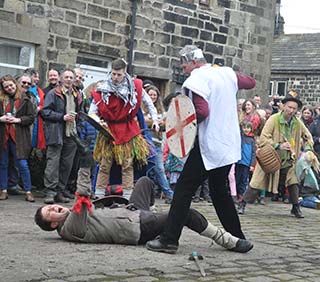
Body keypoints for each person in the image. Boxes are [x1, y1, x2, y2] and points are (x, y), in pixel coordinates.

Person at [146, 45, 256, 254]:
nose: (183, 68)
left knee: (183, 189)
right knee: (220, 191)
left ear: (195, 62)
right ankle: (238, 238)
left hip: (209, 143)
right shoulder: (224, 73)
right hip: (228, 143)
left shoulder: (197, 79)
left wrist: (174, 124)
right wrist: (227, 74)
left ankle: (169, 239)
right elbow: (250, 82)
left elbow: (202, 112)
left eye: (185, 64)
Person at [35, 172, 252, 253]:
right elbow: (83, 195)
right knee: (186, 213)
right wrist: (84, 165)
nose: (55, 207)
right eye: (51, 212)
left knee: (145, 181)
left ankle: (159, 223)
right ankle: (229, 241)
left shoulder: (70, 218)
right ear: (53, 225)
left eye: (51, 206)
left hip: (133, 213)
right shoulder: (70, 226)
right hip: (134, 227)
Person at [238, 90, 314, 218]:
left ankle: (295, 207)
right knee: (257, 181)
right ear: (283, 106)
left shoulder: (297, 123)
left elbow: (308, 137)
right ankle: (242, 204)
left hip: (289, 160)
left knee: (293, 182)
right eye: (289, 107)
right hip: (271, 158)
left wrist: (306, 150)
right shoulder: (273, 119)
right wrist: (278, 145)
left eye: (294, 108)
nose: (291, 110)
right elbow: (263, 138)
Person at [88, 58, 149, 194]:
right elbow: (91, 112)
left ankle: (128, 196)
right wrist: (99, 121)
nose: (115, 77)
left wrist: (155, 119)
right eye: (113, 74)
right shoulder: (102, 89)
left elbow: (149, 103)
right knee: (104, 164)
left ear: (124, 72)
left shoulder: (134, 88)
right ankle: (98, 195)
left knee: (127, 164)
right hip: (108, 132)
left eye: (119, 74)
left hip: (127, 130)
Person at [42, 68, 82, 204]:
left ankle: (60, 191)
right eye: (66, 77)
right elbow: (45, 112)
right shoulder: (53, 94)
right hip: (56, 132)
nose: (69, 80)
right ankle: (50, 192)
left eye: (71, 77)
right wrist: (62, 117)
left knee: (67, 165)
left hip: (71, 134)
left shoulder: (78, 95)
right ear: (61, 78)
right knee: (53, 163)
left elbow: (80, 113)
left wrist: (78, 124)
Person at [0, 75, 35, 201]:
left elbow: (31, 117)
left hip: (19, 137)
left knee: (22, 164)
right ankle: (3, 190)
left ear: (15, 84)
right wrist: (1, 119)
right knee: (3, 164)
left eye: (11, 85)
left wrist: (18, 120)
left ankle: (28, 191)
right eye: (6, 87)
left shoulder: (25, 99)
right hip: (3, 136)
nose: (9, 88)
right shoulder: (1, 99)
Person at [236, 120, 256, 214]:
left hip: (247, 164)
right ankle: (235, 195)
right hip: (238, 162)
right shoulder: (240, 137)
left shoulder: (252, 140)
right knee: (237, 179)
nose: (246, 129)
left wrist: (252, 164)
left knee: (244, 181)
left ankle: (241, 196)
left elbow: (253, 153)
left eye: (248, 128)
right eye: (244, 127)